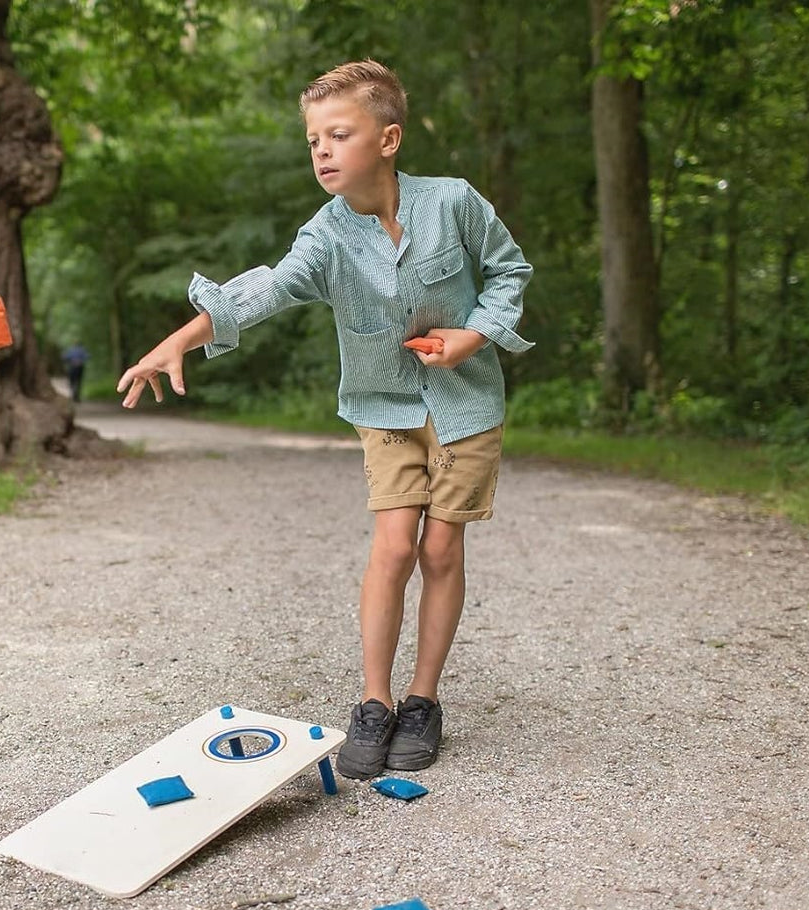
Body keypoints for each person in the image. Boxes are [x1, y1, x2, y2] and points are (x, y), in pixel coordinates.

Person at [117, 60, 532, 779]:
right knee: (394, 547)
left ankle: (422, 700)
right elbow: (267, 288)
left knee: (440, 550)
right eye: (313, 139)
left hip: (465, 402)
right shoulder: (325, 236)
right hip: (383, 407)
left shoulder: (454, 202)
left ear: (388, 139)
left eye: (339, 134)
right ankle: (374, 702)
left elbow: (509, 272)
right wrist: (181, 337)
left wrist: (473, 335)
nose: (322, 150)